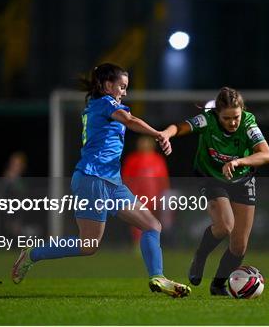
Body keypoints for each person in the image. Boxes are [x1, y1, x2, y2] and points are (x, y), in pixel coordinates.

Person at [11, 63, 191, 298]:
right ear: (108, 85)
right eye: (122, 87)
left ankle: (157, 276)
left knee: (152, 225)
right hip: (92, 178)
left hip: (112, 183)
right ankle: (33, 254)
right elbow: (130, 120)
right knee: (88, 246)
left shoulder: (101, 105)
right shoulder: (105, 103)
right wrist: (158, 134)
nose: (125, 92)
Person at [161, 87, 269, 295]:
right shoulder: (208, 120)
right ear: (217, 114)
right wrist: (166, 134)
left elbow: (266, 155)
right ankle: (200, 256)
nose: (232, 122)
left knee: (239, 246)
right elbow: (181, 127)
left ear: (242, 111)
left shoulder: (248, 123)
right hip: (211, 177)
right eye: (226, 118)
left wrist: (239, 161)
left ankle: (218, 285)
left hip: (243, 178)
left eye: (236, 117)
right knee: (224, 226)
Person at [121, 135, 171, 247]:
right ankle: (138, 243)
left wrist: (164, 193)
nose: (144, 145)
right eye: (142, 142)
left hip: (154, 194)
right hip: (137, 194)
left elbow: (163, 179)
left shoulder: (158, 159)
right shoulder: (133, 159)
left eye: (146, 142)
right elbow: (126, 178)